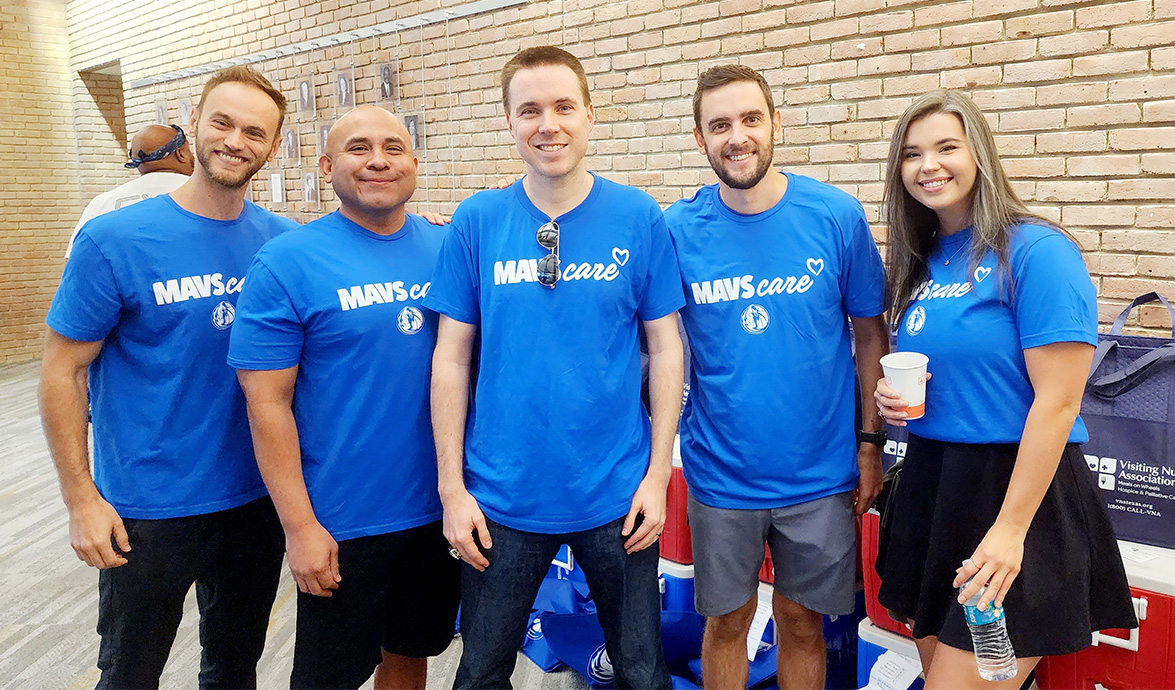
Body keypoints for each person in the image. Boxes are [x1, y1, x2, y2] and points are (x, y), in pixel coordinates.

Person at [425, 46, 684, 690]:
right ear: (509, 122)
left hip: (618, 495)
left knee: (642, 672)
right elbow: (451, 358)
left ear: (590, 113)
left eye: (564, 106)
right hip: (501, 498)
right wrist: (452, 489)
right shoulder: (478, 221)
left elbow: (667, 347)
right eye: (530, 110)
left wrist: (657, 476)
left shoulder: (638, 216)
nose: (549, 125)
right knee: (480, 673)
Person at [39, 66, 296, 689]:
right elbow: (62, 370)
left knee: (233, 669)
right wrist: (80, 499)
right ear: (194, 125)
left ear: (273, 146)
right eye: (223, 123)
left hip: (255, 501)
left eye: (254, 132)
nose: (235, 141)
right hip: (147, 508)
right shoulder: (114, 239)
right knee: (130, 674)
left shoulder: (284, 244)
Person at [873, 90, 1137, 689]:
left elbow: (1059, 401)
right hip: (933, 484)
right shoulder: (922, 259)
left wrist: (1011, 529)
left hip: (1015, 492)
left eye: (946, 147)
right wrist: (895, 400)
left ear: (980, 155)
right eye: (911, 154)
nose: (928, 166)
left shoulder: (1037, 250)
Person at [663, 65, 889, 690]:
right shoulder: (676, 230)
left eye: (750, 119)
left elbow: (871, 334)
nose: (737, 137)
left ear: (776, 124)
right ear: (700, 138)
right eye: (719, 125)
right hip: (721, 474)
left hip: (820, 475)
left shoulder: (835, 216)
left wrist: (871, 446)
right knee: (726, 622)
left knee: (801, 622)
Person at [228, 106, 459, 690]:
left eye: (393, 148)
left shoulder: (449, 245)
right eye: (359, 148)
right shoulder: (286, 262)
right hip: (342, 519)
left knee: (409, 654)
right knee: (328, 677)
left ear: (413, 163)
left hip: (439, 509)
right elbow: (266, 404)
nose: (378, 161)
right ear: (327, 166)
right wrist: (300, 526)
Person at [65, 123, 194, 258]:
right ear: (181, 154)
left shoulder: (101, 204)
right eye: (189, 150)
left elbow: (76, 261)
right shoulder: (204, 194)